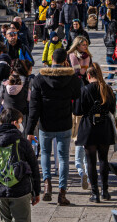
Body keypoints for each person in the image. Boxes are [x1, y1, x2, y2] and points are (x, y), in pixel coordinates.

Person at [26, 48, 83, 206]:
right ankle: (62, 193)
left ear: (51, 58)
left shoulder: (40, 78)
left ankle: (47, 184)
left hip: (46, 124)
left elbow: (34, 107)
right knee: (64, 158)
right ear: (66, 60)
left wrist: (30, 129)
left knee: (45, 153)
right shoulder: (71, 78)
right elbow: (77, 95)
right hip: (64, 123)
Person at [0, 108, 41, 221]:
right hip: (20, 190)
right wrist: (36, 191)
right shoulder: (23, 142)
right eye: (20, 122)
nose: (21, 125)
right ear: (14, 123)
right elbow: (34, 167)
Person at [74, 65, 116, 202]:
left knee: (91, 161)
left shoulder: (84, 90)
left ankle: (95, 193)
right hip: (104, 126)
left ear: (89, 76)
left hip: (89, 127)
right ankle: (105, 191)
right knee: (103, 159)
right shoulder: (107, 89)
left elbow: (77, 111)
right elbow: (112, 109)